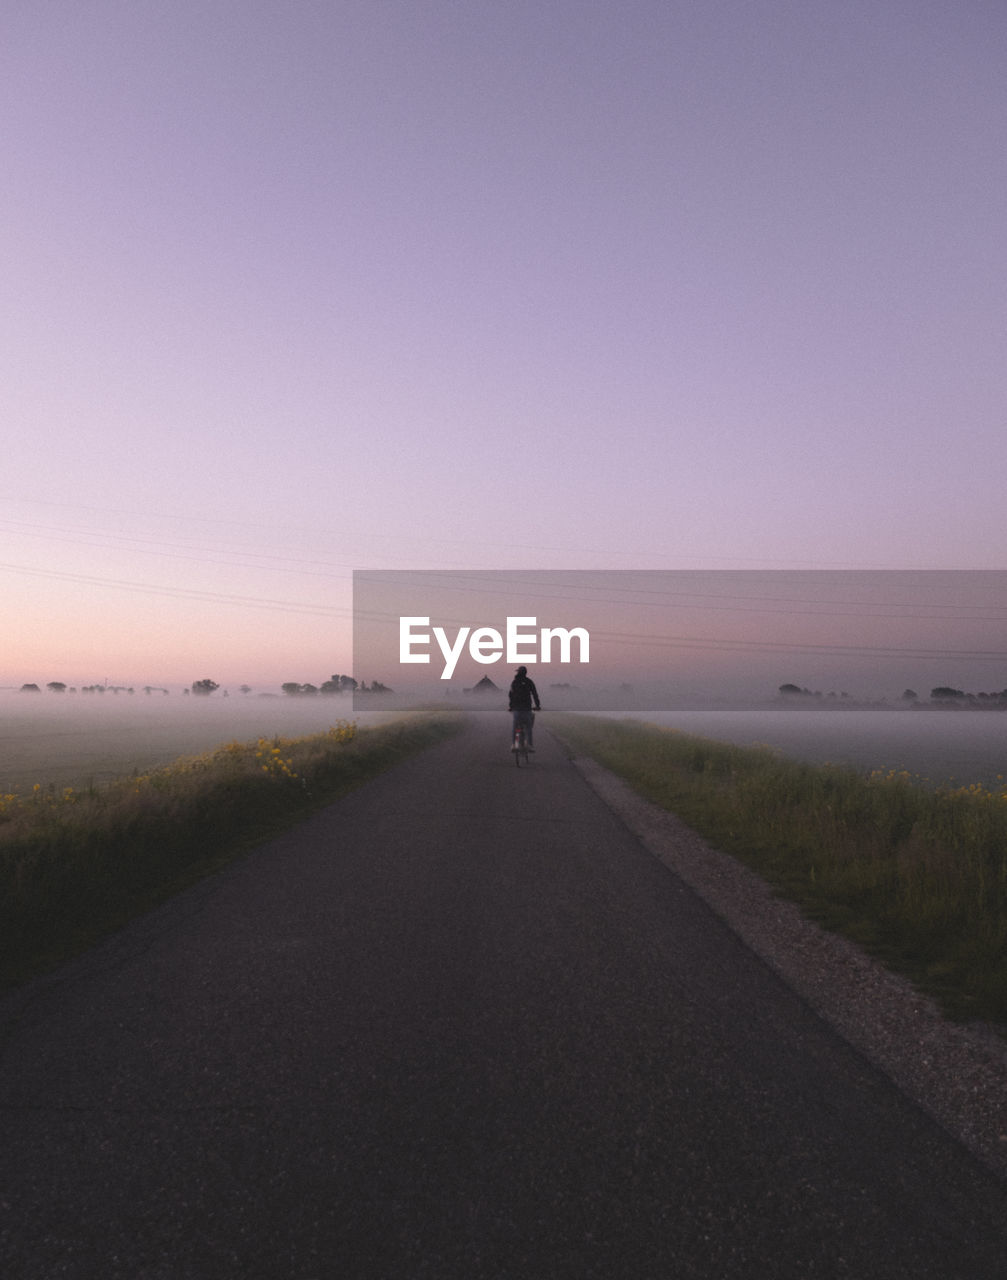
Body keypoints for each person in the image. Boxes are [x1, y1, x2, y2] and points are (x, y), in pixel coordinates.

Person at [508, 665, 541, 750]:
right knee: (528, 727)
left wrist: (511, 706)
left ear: (518, 672)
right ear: (525, 673)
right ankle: (529, 745)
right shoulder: (529, 682)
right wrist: (537, 705)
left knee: (515, 727)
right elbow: (534, 694)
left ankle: (514, 745)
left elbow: (511, 695)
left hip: (517, 709)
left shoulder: (514, 682)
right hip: (527, 709)